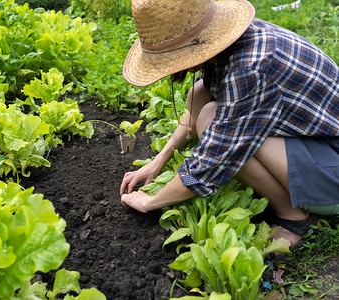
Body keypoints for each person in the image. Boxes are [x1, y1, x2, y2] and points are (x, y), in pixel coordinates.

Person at [119, 0, 338, 248]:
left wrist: (151, 201)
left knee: (211, 118)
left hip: (334, 176)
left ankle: (296, 218)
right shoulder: (231, 43)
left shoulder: (250, 67)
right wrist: (158, 161)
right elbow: (195, 112)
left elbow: (213, 160)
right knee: (199, 94)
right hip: (318, 149)